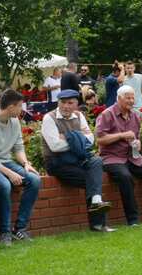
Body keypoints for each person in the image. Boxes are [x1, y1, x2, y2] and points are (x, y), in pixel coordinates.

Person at [0, 90, 41, 245]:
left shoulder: (14, 121)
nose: (21, 110)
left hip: (5, 162)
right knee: (3, 185)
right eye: (19, 106)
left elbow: (18, 147)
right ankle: (4, 233)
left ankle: (19, 229)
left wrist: (25, 164)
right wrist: (9, 173)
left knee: (34, 180)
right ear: (11, 107)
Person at [97, 86, 142, 225]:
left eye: (133, 97)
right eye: (128, 98)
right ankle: (133, 220)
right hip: (112, 157)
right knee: (126, 177)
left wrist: (138, 144)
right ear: (118, 98)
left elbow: (136, 139)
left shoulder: (135, 115)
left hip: (132, 156)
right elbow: (100, 139)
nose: (131, 101)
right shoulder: (107, 114)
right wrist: (121, 135)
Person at [42, 89, 115, 232]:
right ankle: (99, 223)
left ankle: (96, 206)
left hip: (76, 159)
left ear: (76, 104)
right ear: (58, 103)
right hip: (57, 163)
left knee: (97, 162)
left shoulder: (79, 115)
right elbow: (55, 146)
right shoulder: (49, 118)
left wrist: (68, 137)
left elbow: (91, 139)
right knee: (92, 181)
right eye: (63, 102)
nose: (66, 106)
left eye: (70, 103)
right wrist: (78, 137)